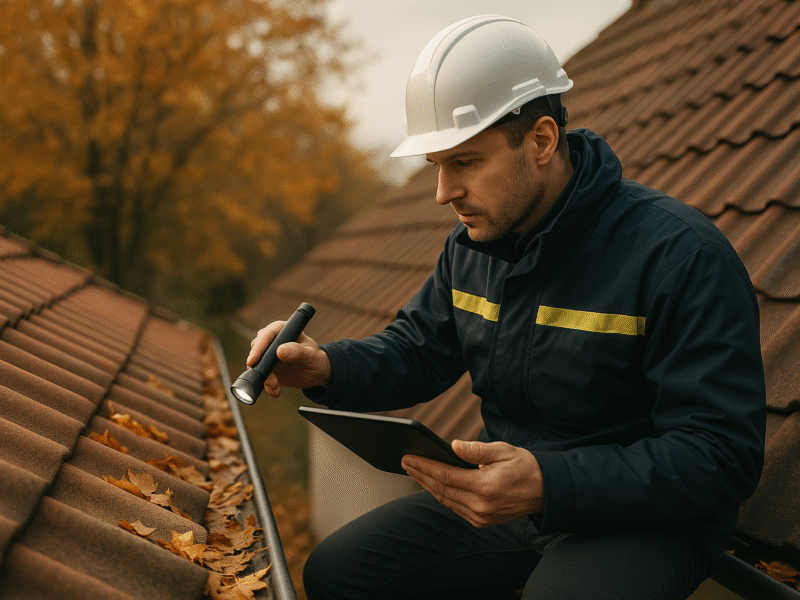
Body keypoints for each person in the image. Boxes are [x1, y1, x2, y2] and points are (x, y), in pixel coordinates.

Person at [246, 15, 766, 600]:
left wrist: (549, 482)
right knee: (338, 571)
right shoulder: (472, 248)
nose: (443, 193)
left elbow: (721, 456)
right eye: (436, 165)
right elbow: (418, 350)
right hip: (511, 500)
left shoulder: (680, 256)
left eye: (465, 162)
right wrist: (325, 367)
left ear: (541, 141)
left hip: (643, 518)